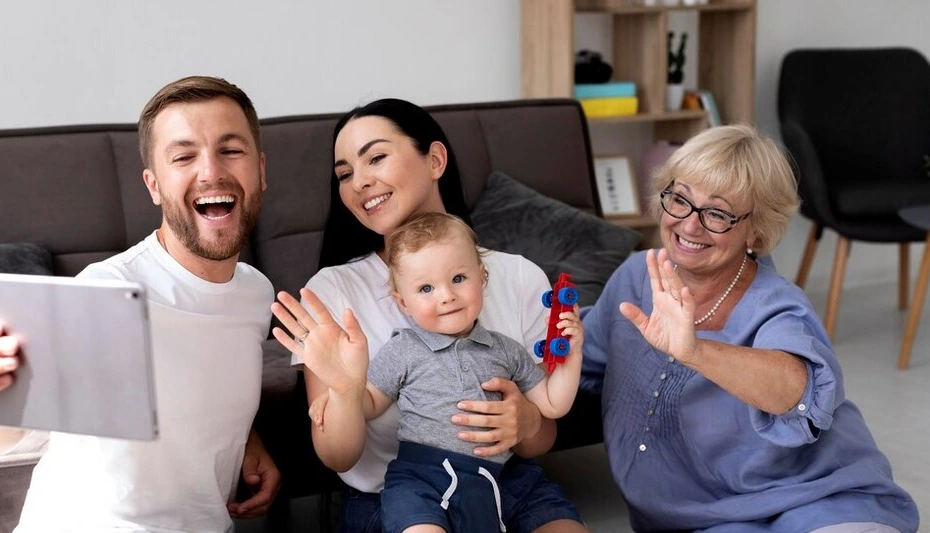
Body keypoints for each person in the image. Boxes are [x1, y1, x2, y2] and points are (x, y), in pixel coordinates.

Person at [0, 76, 281, 532]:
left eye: (231, 150)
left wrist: (245, 438)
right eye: (183, 157)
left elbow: (202, 382)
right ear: (154, 185)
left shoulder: (256, 292)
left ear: (261, 171)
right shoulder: (105, 291)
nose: (211, 171)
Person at [579, 124, 919, 532]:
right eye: (680, 200)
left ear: (756, 229)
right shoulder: (637, 276)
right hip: (706, 519)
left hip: (822, 500)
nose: (689, 226)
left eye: (717, 214)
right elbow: (579, 357)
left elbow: (797, 392)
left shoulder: (776, 305)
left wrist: (696, 352)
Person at [271, 98, 588, 533]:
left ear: (435, 159)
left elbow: (542, 437)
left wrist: (528, 422)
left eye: (376, 158)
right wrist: (345, 392)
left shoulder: (518, 276)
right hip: (394, 495)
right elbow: (338, 457)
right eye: (345, 174)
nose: (359, 182)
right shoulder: (333, 292)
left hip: (506, 481)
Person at [301, 212, 584, 533]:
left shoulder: (506, 350)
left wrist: (572, 356)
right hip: (419, 482)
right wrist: (343, 391)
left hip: (491, 478)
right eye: (426, 288)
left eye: (459, 279)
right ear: (402, 302)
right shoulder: (403, 349)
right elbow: (368, 404)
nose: (446, 296)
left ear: (482, 277)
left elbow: (553, 404)